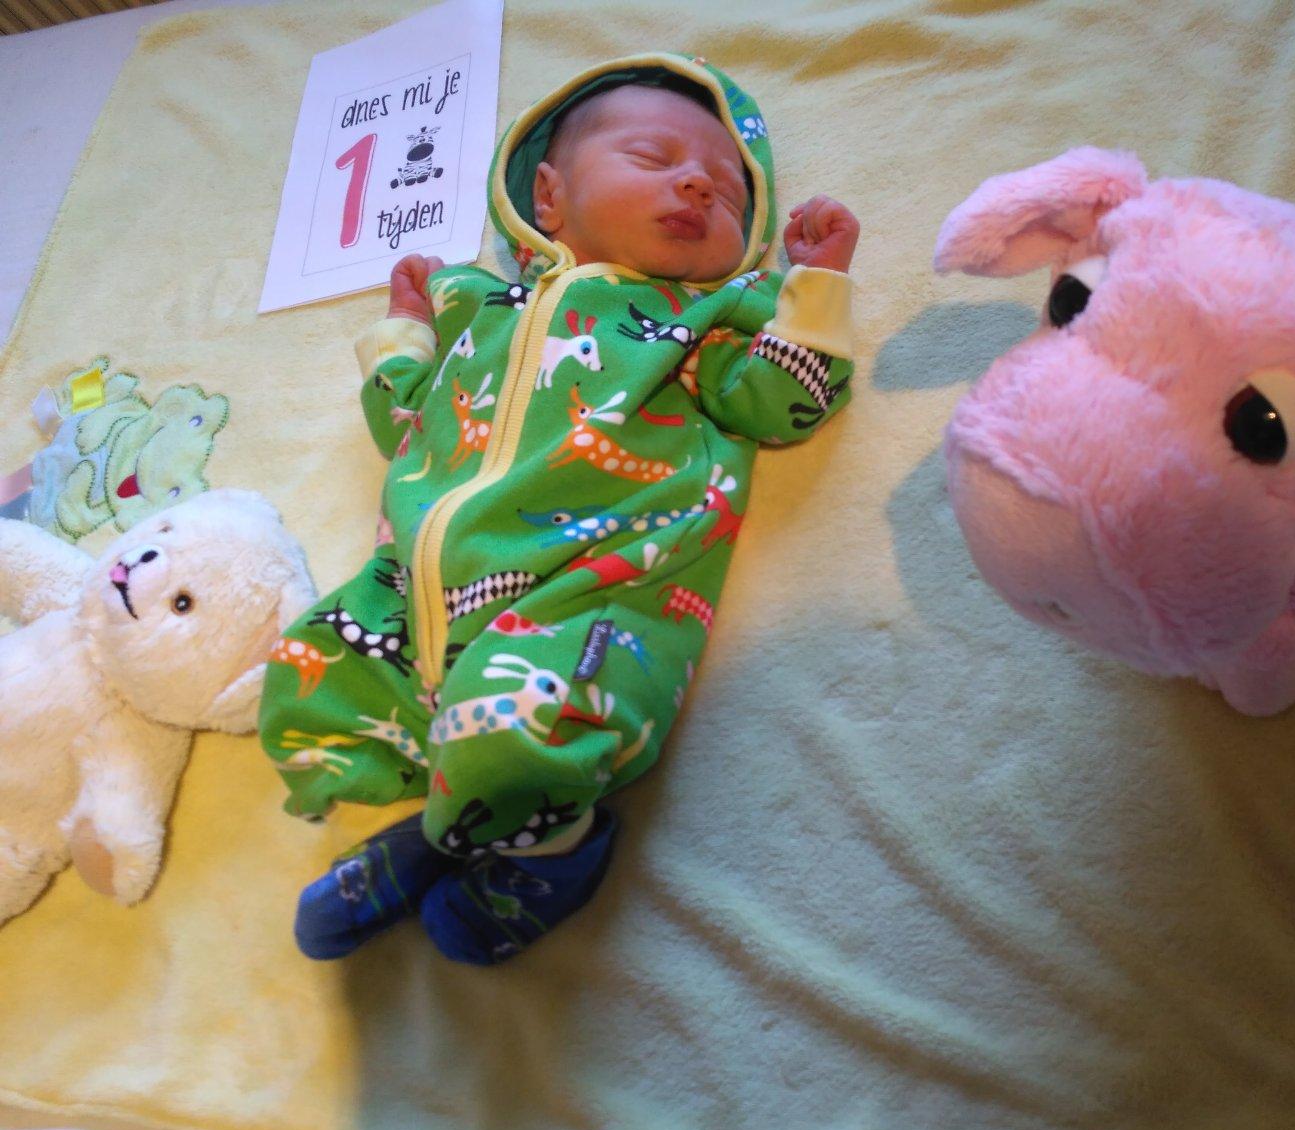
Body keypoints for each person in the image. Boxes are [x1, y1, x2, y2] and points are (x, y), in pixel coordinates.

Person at [258, 53, 859, 965]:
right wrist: (403, 328)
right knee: (305, 680)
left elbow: (784, 400)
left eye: (731, 194)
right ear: (547, 197)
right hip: (410, 594)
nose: (698, 184)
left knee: (518, 737)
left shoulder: (703, 324)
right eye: (653, 157)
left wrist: (816, 287)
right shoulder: (482, 309)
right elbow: (402, 423)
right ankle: (449, 821)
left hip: (586, 603)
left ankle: (547, 848)